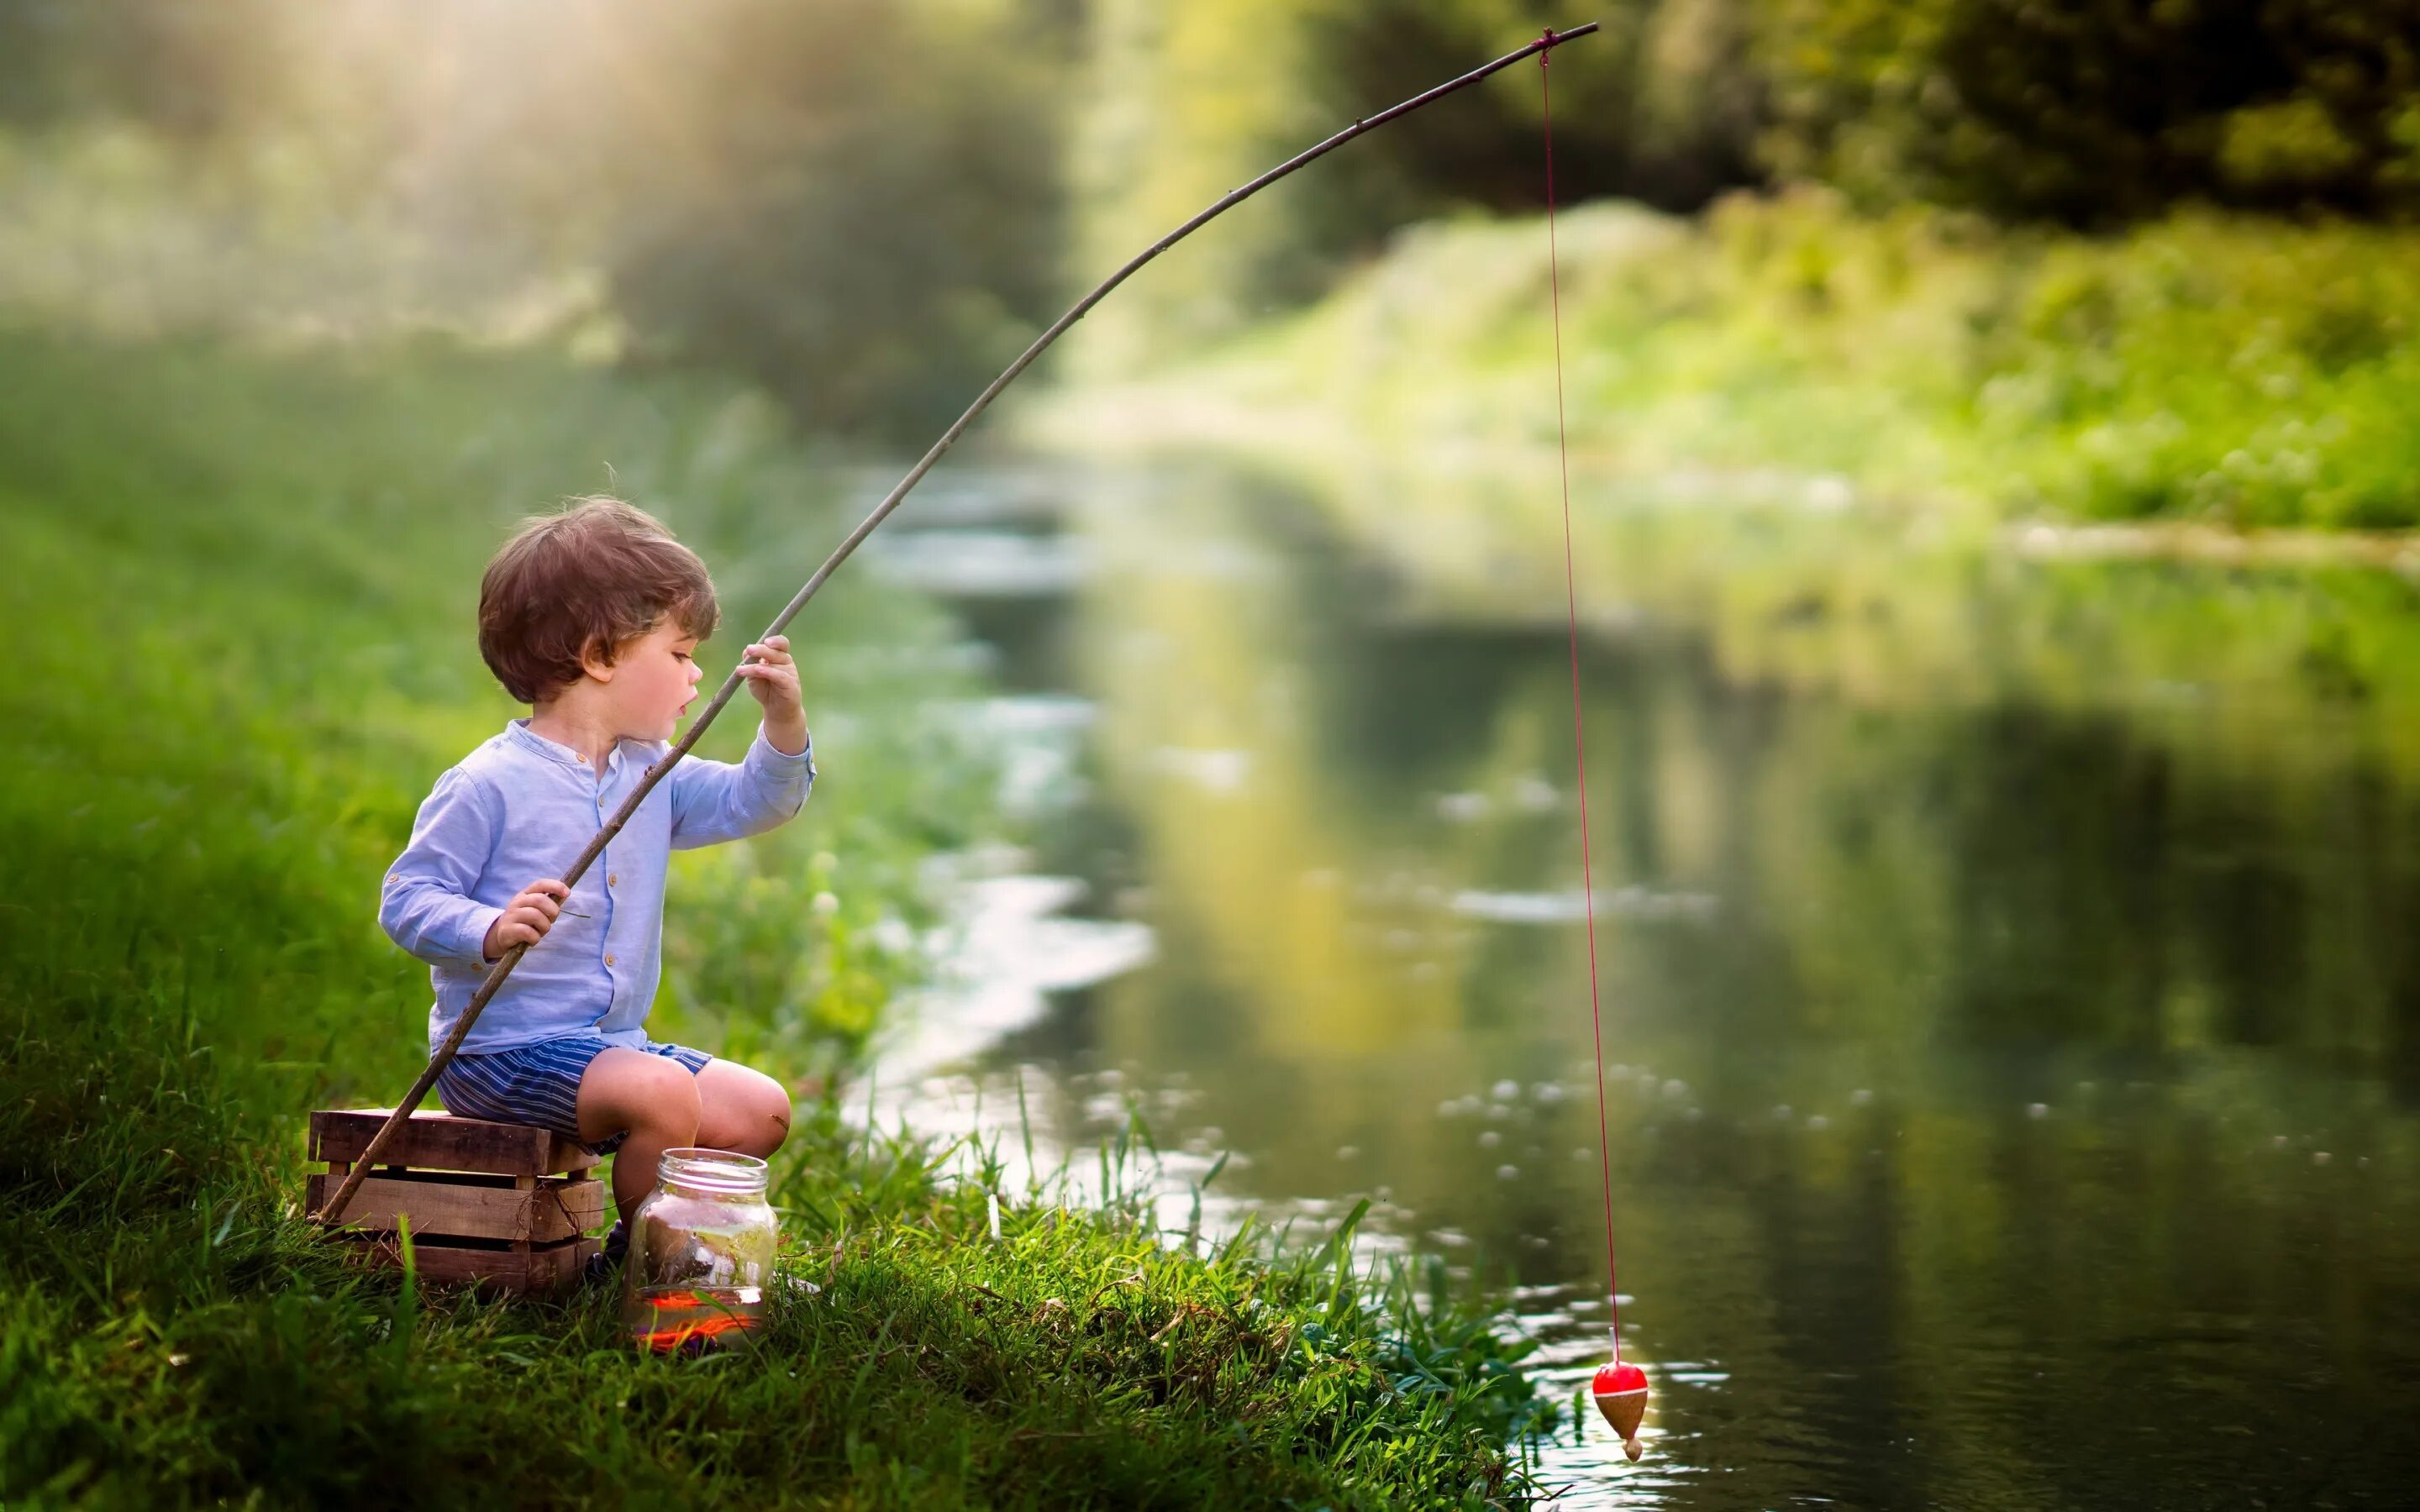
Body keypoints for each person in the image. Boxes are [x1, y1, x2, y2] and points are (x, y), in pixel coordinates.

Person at [379, 497, 813, 1282]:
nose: (696, 674)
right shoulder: (489, 784)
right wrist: (487, 926)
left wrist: (782, 724)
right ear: (601, 655)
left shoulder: (650, 775)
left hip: (613, 1051)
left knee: (762, 1108)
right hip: (500, 1053)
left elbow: (759, 800)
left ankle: (641, 1255)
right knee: (662, 1097)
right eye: (681, 654)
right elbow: (408, 899)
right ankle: (652, 1272)